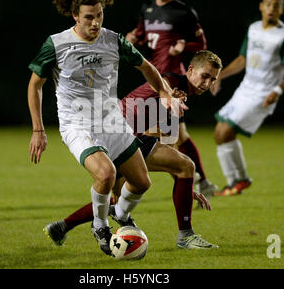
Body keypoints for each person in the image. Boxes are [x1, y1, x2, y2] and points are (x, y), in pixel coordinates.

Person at [27, 0, 186, 256]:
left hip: (111, 120)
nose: (95, 22)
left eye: (99, 15)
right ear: (75, 16)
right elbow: (34, 85)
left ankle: (121, 216)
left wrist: (164, 92)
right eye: (88, 17)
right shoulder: (56, 44)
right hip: (77, 124)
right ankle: (100, 226)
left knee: (142, 182)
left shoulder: (113, 40)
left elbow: (146, 66)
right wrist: (38, 130)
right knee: (106, 174)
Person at [44, 50, 222, 250]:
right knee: (184, 167)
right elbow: (164, 88)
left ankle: (61, 227)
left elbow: (164, 139)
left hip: (125, 134)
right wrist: (170, 96)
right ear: (190, 70)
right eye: (204, 76)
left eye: (212, 80)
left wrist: (185, 188)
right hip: (121, 134)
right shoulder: (171, 82)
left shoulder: (181, 95)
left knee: (120, 199)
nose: (207, 83)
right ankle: (186, 236)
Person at [125, 0, 218, 198]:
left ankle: (192, 181)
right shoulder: (147, 9)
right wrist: (132, 39)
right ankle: (192, 181)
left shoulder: (183, 11)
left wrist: (183, 47)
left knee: (171, 136)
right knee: (168, 137)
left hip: (173, 82)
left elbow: (202, 44)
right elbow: (141, 37)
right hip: (155, 78)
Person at [211, 0, 284, 196]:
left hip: (263, 93)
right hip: (245, 89)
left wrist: (277, 90)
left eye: (276, 6)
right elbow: (243, 59)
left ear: (282, 10)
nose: (272, 8)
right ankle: (237, 180)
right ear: (261, 6)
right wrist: (220, 76)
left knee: (226, 132)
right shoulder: (253, 29)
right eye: (268, 4)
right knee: (219, 132)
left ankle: (239, 179)